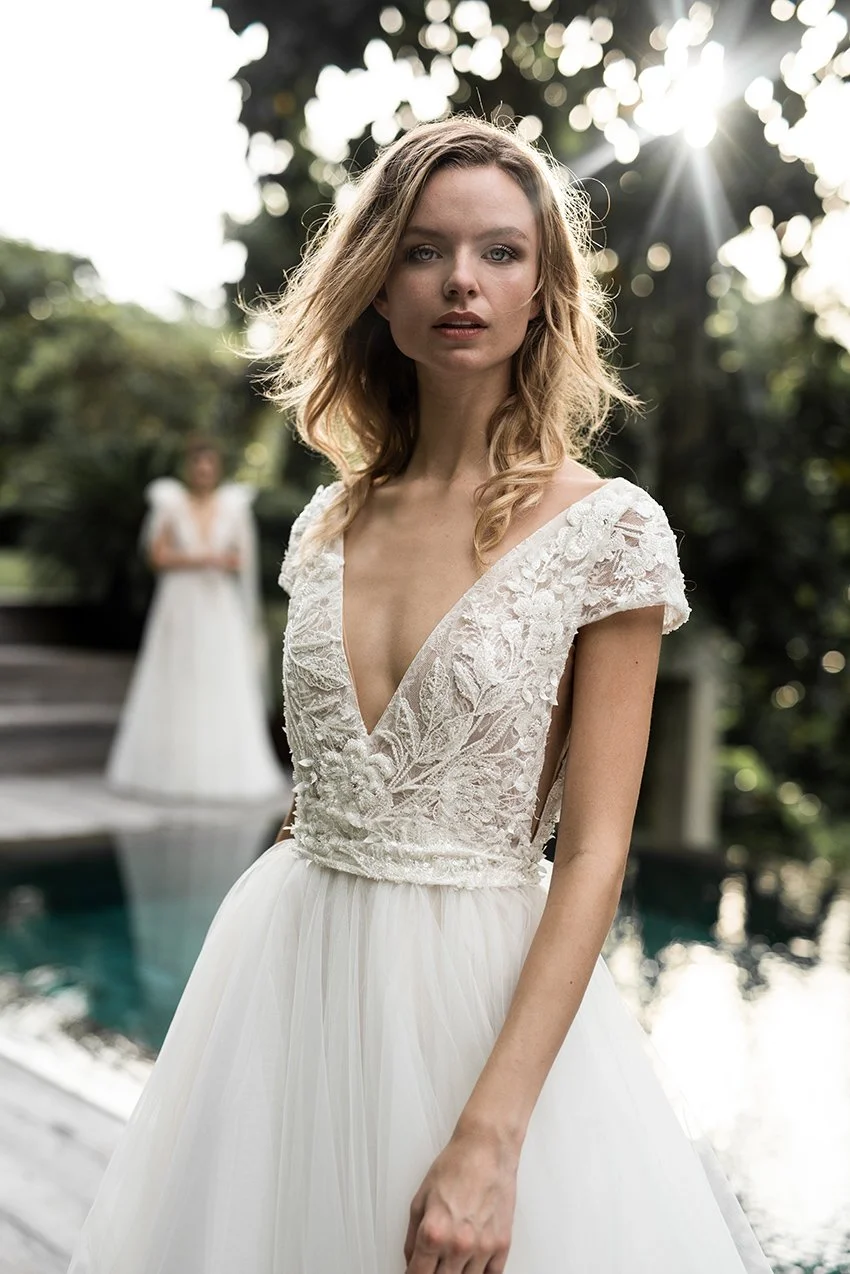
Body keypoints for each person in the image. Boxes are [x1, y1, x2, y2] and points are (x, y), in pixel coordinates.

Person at [70, 119, 773, 1272]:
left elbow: (595, 855)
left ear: (542, 288)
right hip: (285, 987)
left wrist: (493, 1135)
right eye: (424, 250)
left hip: (474, 1013)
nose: (461, 281)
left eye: (500, 252)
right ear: (376, 287)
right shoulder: (325, 521)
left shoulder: (609, 531)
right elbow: (326, 791)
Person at [105, 435, 285, 802]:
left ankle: (222, 767)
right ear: (190, 469)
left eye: (209, 465)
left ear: (216, 469)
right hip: (179, 603)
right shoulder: (170, 504)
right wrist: (201, 560)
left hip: (216, 604)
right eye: (197, 465)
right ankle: (166, 767)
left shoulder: (234, 506)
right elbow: (157, 556)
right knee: (175, 672)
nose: (203, 472)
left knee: (218, 674)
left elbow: (241, 560)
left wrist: (219, 561)